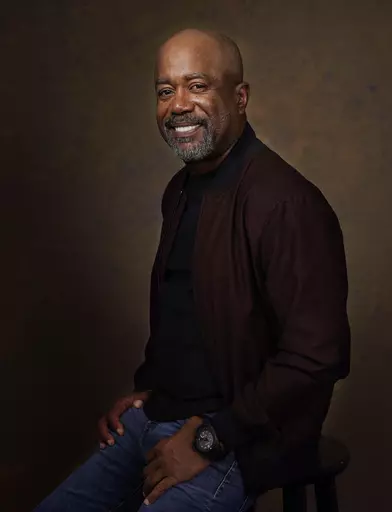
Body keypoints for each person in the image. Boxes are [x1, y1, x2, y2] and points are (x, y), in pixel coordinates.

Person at [34, 28, 350, 512]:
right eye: (165, 90)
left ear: (240, 97)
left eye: (197, 85)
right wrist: (150, 389)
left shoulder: (287, 203)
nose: (178, 105)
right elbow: (187, 318)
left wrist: (210, 438)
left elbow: (317, 357)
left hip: (239, 439)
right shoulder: (180, 191)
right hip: (159, 415)